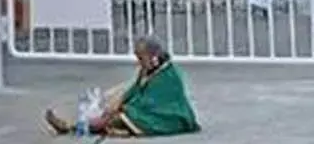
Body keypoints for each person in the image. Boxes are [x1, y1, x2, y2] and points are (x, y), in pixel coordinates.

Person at [44, 36, 200, 137]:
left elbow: (153, 102)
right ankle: (76, 126)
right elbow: (135, 90)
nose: (139, 62)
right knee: (111, 111)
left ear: (153, 57)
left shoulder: (169, 75)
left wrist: (124, 108)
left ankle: (71, 127)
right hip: (149, 112)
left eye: (141, 58)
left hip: (169, 118)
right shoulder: (149, 70)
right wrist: (119, 102)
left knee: (115, 118)